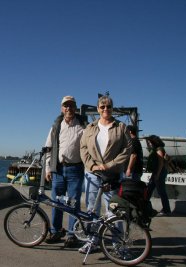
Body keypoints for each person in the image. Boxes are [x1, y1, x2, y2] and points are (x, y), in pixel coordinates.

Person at [79, 95, 131, 254]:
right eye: (102, 107)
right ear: (98, 109)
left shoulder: (121, 127)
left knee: (114, 210)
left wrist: (108, 165)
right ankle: (92, 241)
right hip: (92, 174)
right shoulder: (90, 127)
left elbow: (127, 149)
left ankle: (117, 243)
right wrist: (93, 166)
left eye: (108, 106)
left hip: (112, 174)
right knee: (92, 209)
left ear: (112, 108)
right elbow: (83, 148)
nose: (105, 109)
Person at [44, 95, 85, 248]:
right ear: (62, 108)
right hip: (59, 169)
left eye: (71, 105)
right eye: (65, 105)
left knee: (73, 204)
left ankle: (72, 235)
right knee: (57, 202)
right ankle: (56, 231)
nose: (68, 108)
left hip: (76, 169)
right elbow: (48, 148)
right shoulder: (56, 126)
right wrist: (48, 168)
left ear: (75, 107)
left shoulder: (83, 125)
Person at [145, 135, 171, 216]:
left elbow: (160, 163)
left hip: (159, 172)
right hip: (157, 172)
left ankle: (166, 210)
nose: (149, 143)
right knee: (149, 189)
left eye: (150, 142)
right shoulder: (156, 149)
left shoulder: (159, 150)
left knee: (161, 191)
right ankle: (144, 206)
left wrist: (157, 174)